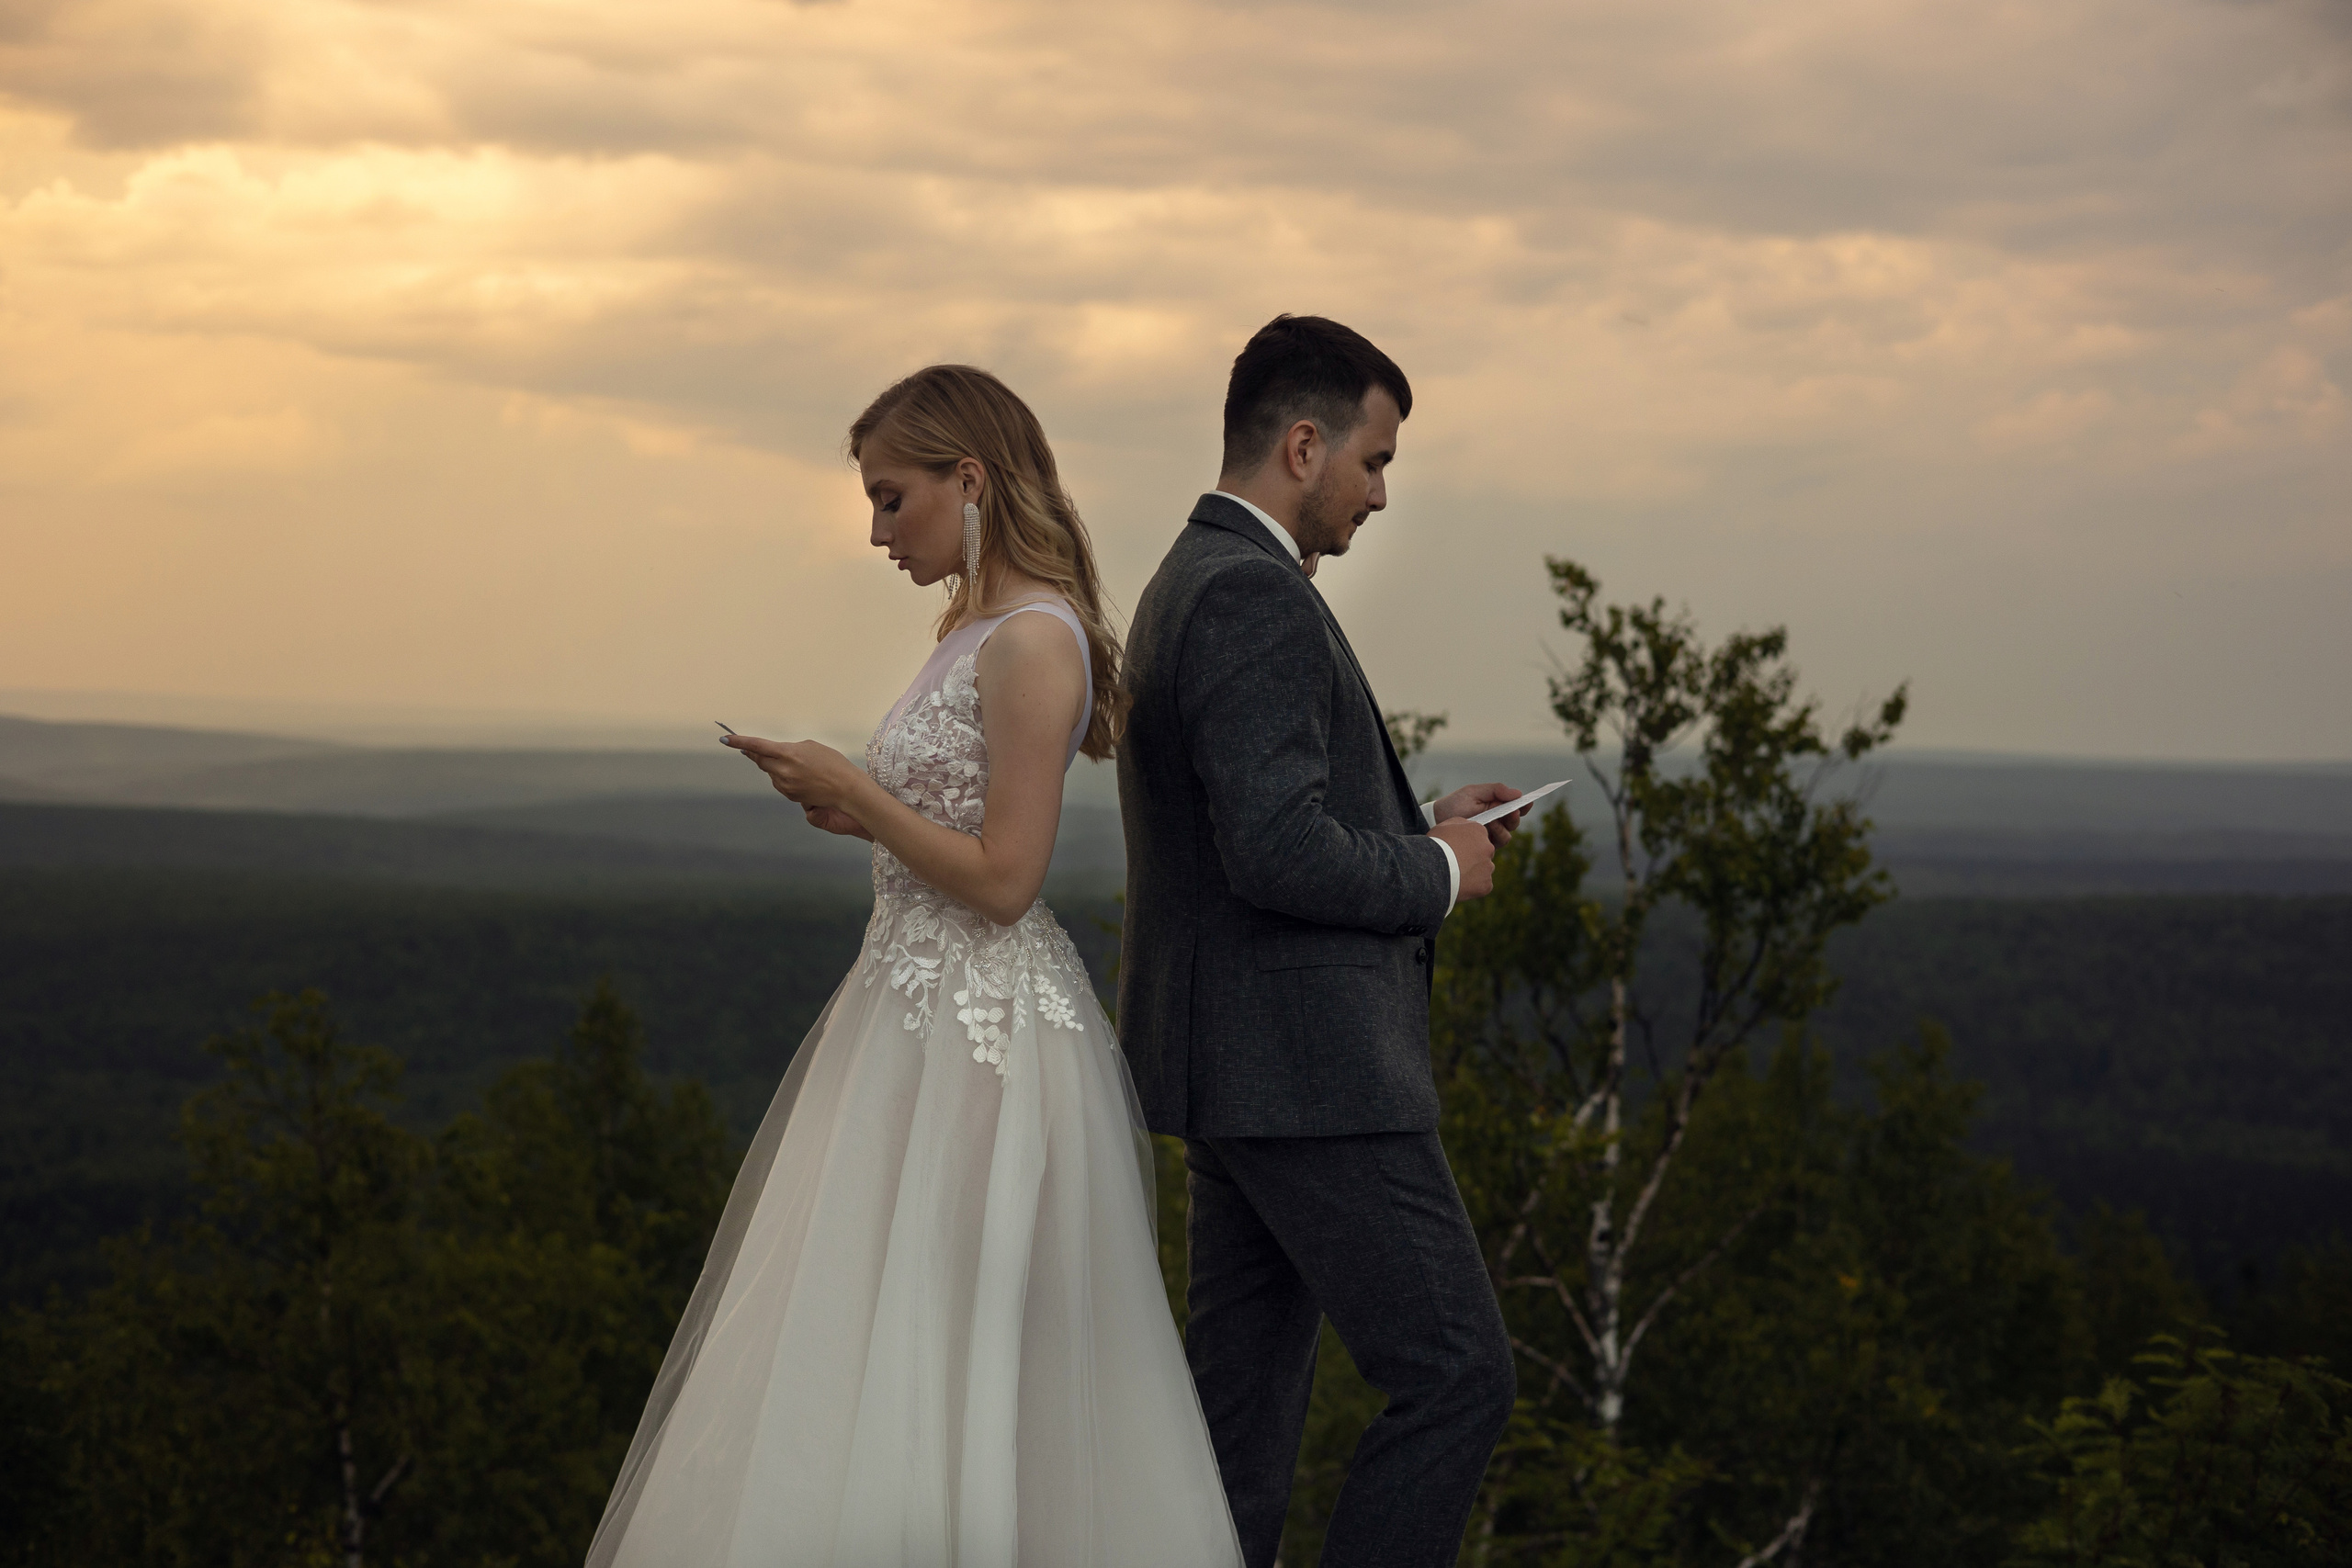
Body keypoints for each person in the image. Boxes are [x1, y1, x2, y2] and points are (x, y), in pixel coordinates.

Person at [587, 366, 1243, 1568]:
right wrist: (860, 812)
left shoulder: (1036, 640)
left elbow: (1006, 880)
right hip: (907, 1015)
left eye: (894, 499)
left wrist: (857, 793)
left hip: (982, 1042)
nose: (878, 529)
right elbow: (956, 842)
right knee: (871, 1343)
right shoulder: (975, 631)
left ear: (971, 480)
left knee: (959, 1360)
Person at [1117, 315, 1527, 1568]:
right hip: (1310, 1075)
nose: (1381, 493)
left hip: (1237, 1069)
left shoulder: (1191, 573)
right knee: (1458, 1377)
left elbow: (1255, 820)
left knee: (1235, 1433)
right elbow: (1276, 852)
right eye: (1374, 460)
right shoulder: (1251, 593)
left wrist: (1416, 819)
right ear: (1303, 444)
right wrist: (1437, 874)